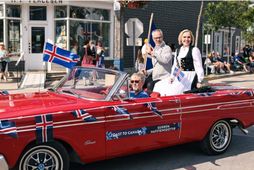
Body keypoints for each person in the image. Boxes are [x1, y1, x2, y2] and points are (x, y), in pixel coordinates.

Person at [154, 29, 204, 96]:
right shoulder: (178, 50)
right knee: (158, 85)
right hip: (180, 75)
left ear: (191, 39)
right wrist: (172, 77)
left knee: (172, 91)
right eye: (184, 37)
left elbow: (199, 67)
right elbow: (176, 66)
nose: (186, 39)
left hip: (189, 77)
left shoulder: (194, 50)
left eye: (188, 37)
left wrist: (199, 81)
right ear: (181, 38)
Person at [142, 29, 173, 94]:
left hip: (164, 78)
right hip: (155, 77)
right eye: (155, 38)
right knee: (141, 83)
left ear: (162, 37)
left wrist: (153, 53)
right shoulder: (155, 49)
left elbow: (165, 60)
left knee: (150, 85)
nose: (158, 40)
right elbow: (156, 66)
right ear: (153, 39)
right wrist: (147, 72)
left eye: (159, 37)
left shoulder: (167, 48)